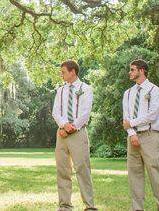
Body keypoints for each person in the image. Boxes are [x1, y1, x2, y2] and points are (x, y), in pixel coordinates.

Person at [121, 59, 159, 211]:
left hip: (150, 136)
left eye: (132, 69)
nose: (130, 72)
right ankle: (137, 208)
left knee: (156, 174)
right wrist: (132, 133)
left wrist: (132, 123)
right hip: (132, 137)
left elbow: (152, 115)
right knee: (134, 175)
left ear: (141, 70)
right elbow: (126, 118)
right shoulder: (128, 93)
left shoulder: (154, 90)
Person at [52, 60, 96, 211]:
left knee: (82, 169)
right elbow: (55, 112)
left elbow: (85, 113)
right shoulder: (60, 91)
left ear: (73, 72)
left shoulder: (86, 89)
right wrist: (64, 125)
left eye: (63, 72)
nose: (61, 75)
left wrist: (71, 128)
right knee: (63, 170)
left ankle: (89, 206)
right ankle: (65, 205)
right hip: (61, 134)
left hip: (78, 133)